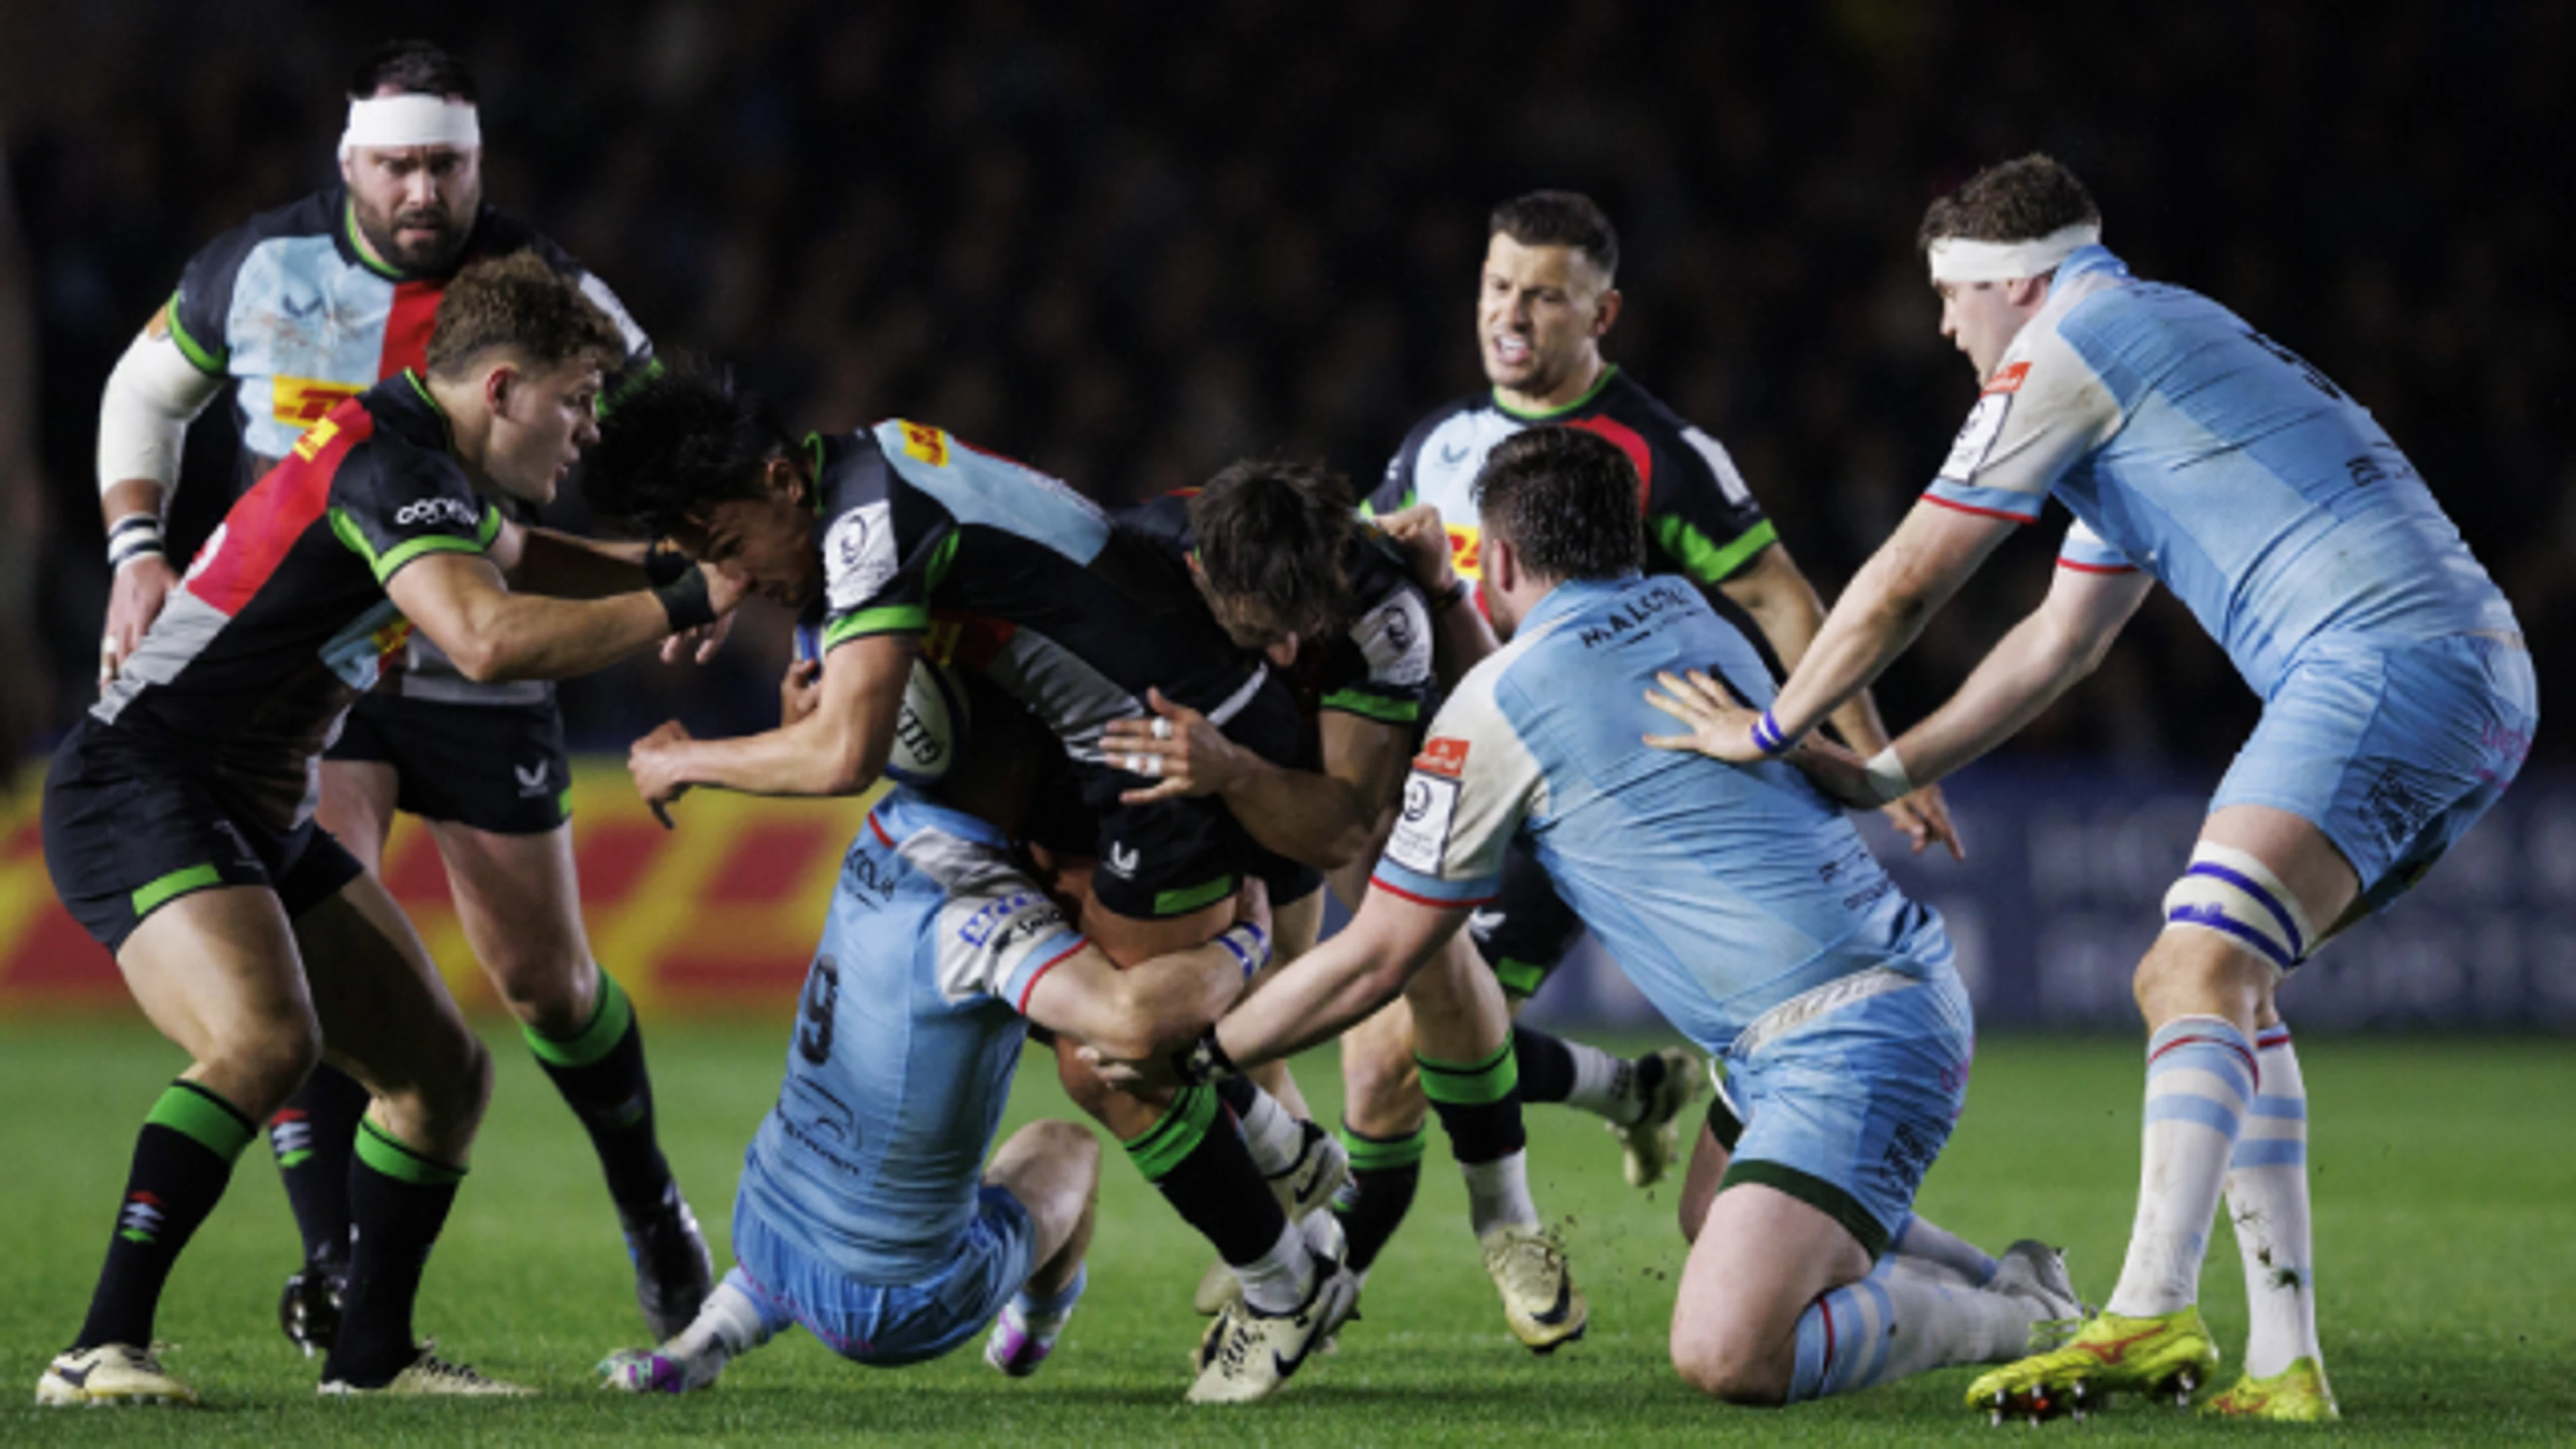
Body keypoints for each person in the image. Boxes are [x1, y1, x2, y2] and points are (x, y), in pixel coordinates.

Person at [1641, 154, 2534, 1424]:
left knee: (2186, 971)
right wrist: (1894, 769)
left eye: (1954, 293)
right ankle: (2285, 1364)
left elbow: (1904, 580)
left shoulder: (2077, 347)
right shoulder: (2159, 361)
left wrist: (1776, 726)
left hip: (2385, 664)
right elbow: (2059, 643)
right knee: (2228, 981)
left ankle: (2148, 1311)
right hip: (2473, 677)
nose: (1944, 323)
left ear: (2020, 282)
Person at [1093, 426, 2080, 1406]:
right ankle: (2007, 1278)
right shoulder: (1687, 611)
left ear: (1506, 557)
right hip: (1845, 1004)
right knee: (1715, 1217)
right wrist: (1442, 599)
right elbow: (1521, 690)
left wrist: (1204, 1054)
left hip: (1848, 1039)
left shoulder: (1501, 705)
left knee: (1730, 1350)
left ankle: (2022, 1322)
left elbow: (1377, 960)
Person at [88, 39, 712, 1352]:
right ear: (352, 165)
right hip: (320, 676)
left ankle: (649, 1205)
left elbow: (639, 455)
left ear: (481, 164)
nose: (423, 188)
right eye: (399, 163)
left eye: (448, 163)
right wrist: (136, 554)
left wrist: (705, 559)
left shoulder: (539, 295)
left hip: (462, 655)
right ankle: (336, 1279)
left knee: (542, 984)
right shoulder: (260, 273)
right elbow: (144, 394)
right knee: (294, 996)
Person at [580, 360, 1361, 1403]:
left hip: (1165, 742)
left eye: (729, 551)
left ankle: (1286, 1285)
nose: (734, 579)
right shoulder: (859, 483)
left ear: (779, 481)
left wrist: (688, 759)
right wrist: (747, 597)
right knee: (1088, 1016)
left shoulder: (867, 529)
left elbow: (845, 756)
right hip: (1104, 746)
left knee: (1111, 1063)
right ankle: (1283, 1156)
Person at [1356, 191, 1954, 1245]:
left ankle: (1322, 1274)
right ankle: (1623, 1091)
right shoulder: (1436, 444)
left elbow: (1781, 598)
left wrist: (1874, 752)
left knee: (1399, 1047)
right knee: (1393, 1043)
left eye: (1546, 297)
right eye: (1499, 287)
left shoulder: (1657, 452)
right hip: (1448, 776)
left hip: (1572, 791)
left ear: (1604, 315)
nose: (1513, 314)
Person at [599, 676, 1301, 1400]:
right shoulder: (984, 913)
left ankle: (704, 1338)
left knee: (839, 1195)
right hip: (895, 1305)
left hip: (762, 1220)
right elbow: (1129, 1020)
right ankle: (1034, 1325)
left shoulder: (881, 824)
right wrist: (1250, 940)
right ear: (1021, 766)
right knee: (1070, 1145)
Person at [1110, 462, 1585, 1350]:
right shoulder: (1138, 550)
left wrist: (1237, 770)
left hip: (1352, 761)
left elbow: (1338, 824)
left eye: (1304, 627)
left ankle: (1506, 1219)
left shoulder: (1378, 605)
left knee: (1418, 945)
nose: (1288, 648)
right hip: (1227, 753)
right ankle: (1305, 1217)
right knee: (1256, 983)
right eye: (1267, 630)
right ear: (1208, 576)